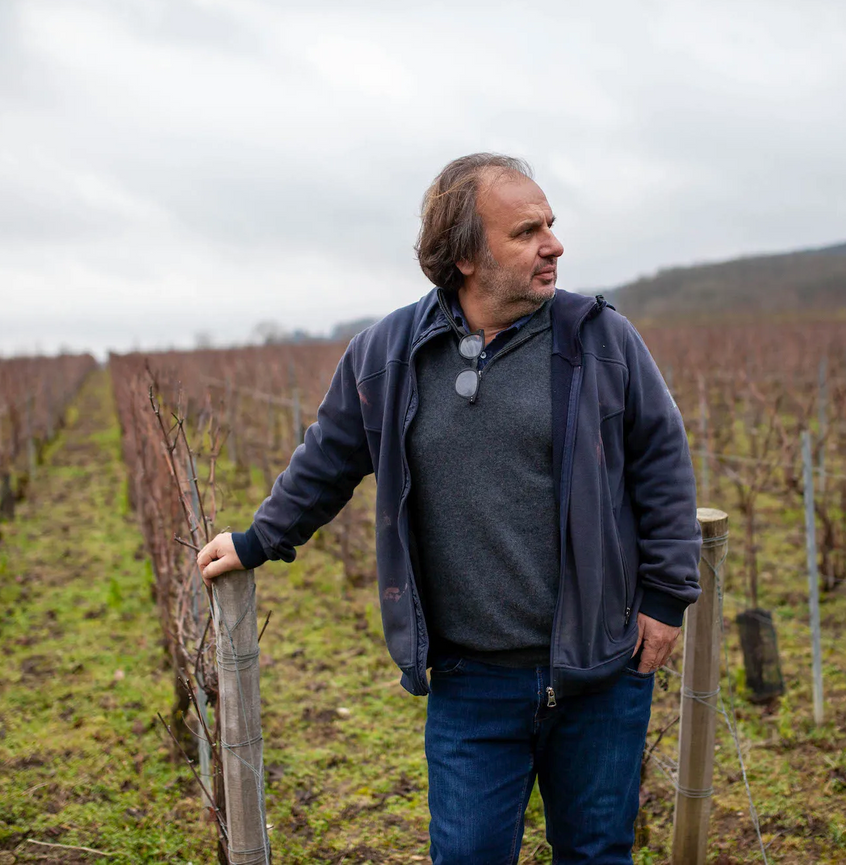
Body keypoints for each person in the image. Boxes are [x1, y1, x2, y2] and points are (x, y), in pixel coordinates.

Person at [197, 153, 701, 864]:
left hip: (598, 668)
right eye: (527, 231)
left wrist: (666, 598)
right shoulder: (389, 353)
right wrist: (257, 540)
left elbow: (662, 464)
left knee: (595, 853)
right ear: (465, 255)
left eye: (551, 225)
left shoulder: (599, 340)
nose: (553, 244)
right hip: (471, 681)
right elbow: (328, 460)